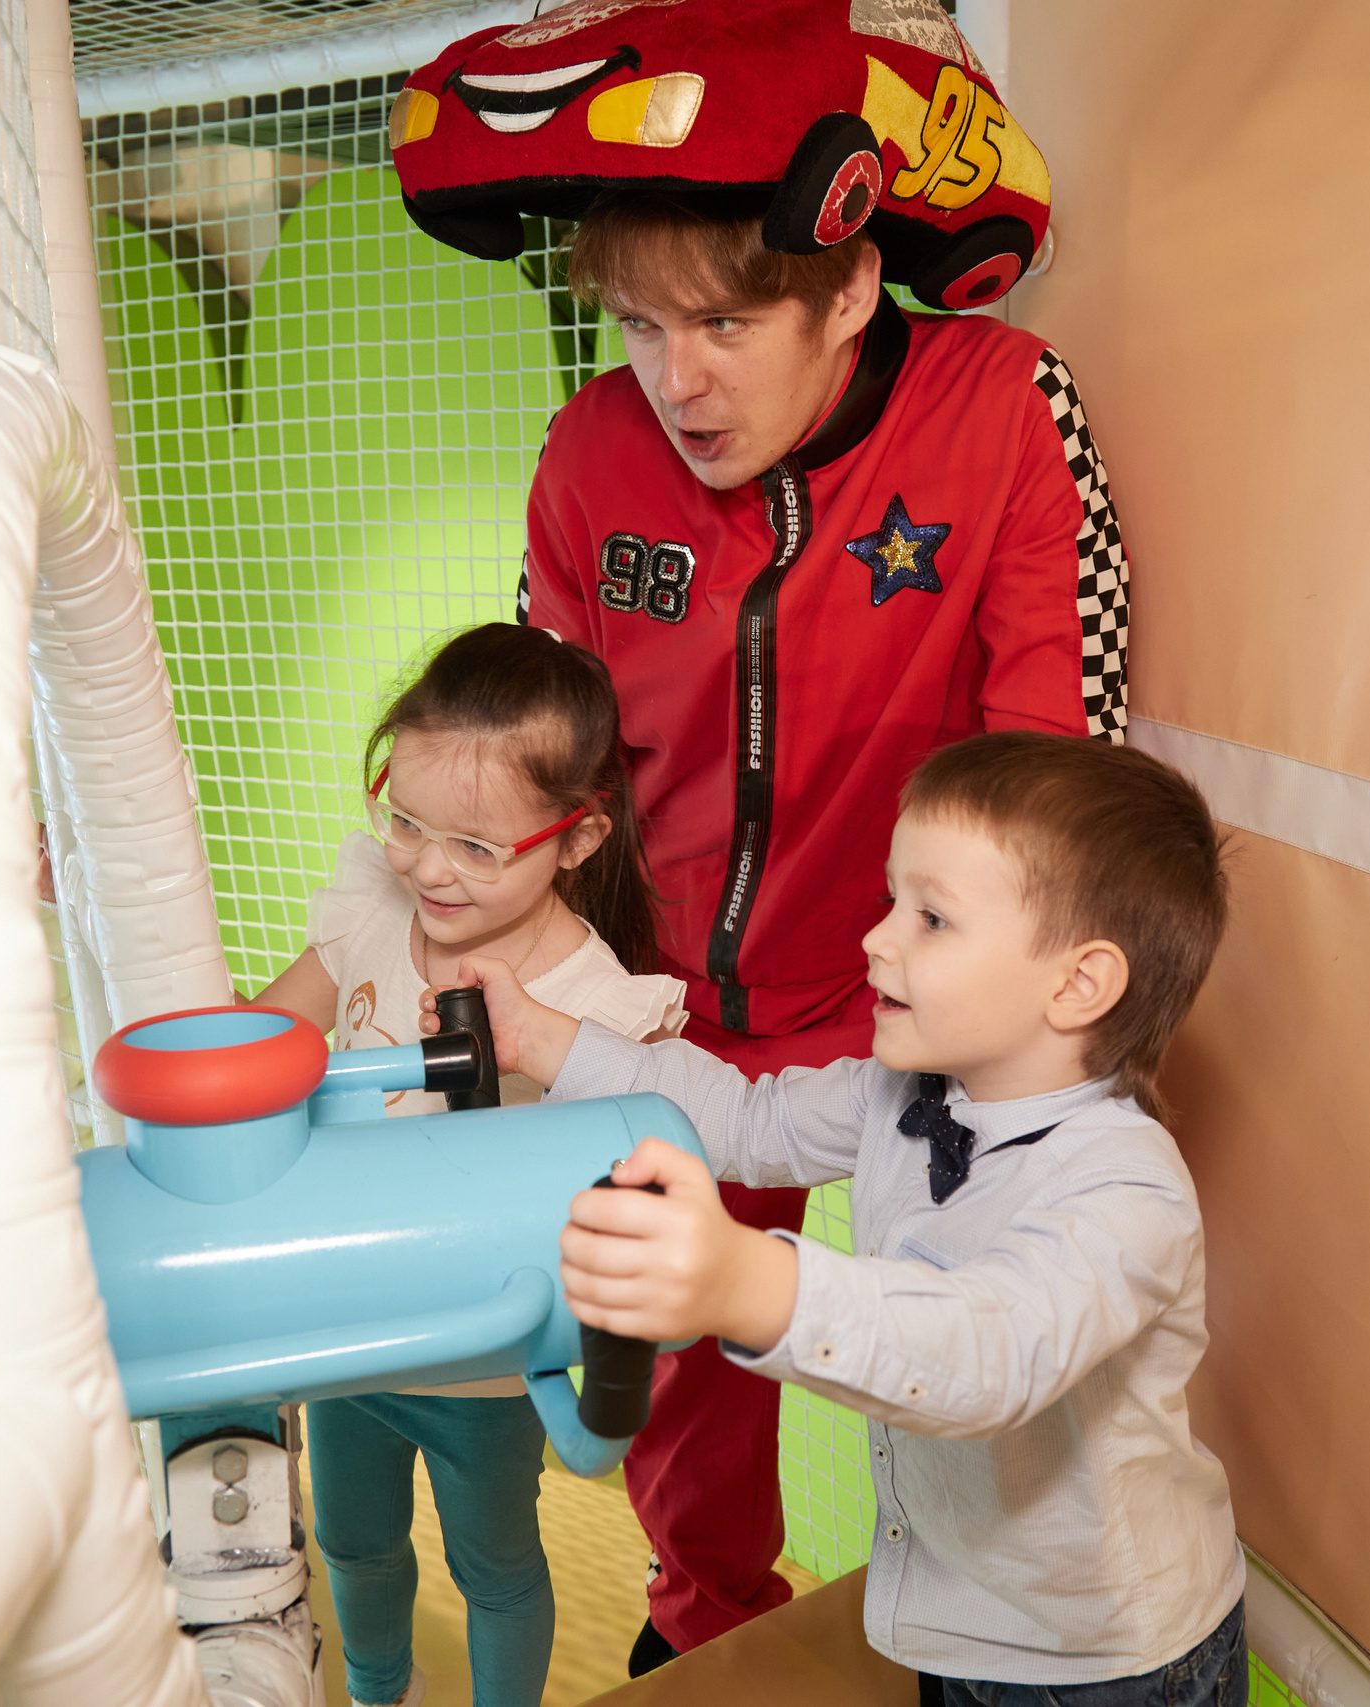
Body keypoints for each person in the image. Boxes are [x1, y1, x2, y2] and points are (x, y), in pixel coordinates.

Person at [517, 191, 1131, 1667]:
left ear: (849, 287)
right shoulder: (594, 449)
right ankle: (704, 1621)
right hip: (674, 1004)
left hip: (923, 1010)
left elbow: (1063, 755)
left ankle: (1003, 1645)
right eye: (645, 326)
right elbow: (546, 744)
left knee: (978, 1355)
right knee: (674, 1364)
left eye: (724, 323)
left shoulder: (996, 404)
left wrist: (1003, 1023)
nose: (678, 381)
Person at [429, 731, 1243, 1706]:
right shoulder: (900, 1089)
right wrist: (547, 1038)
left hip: (1107, 1662)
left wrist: (750, 1283)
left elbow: (985, 1356)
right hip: (953, 1618)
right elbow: (741, 1117)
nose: (877, 940)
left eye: (931, 918)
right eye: (890, 902)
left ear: (1077, 985)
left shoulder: (1124, 1192)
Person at [241, 622, 689, 1707]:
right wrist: (109, 902)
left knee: (494, 1567)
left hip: (485, 1352)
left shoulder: (594, 1003)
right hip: (348, 1328)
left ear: (578, 838)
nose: (428, 867)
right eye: (405, 819)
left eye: (479, 848)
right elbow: (256, 1039)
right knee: (350, 1543)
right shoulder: (368, 918)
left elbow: (644, 1177)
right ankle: (376, 1693)